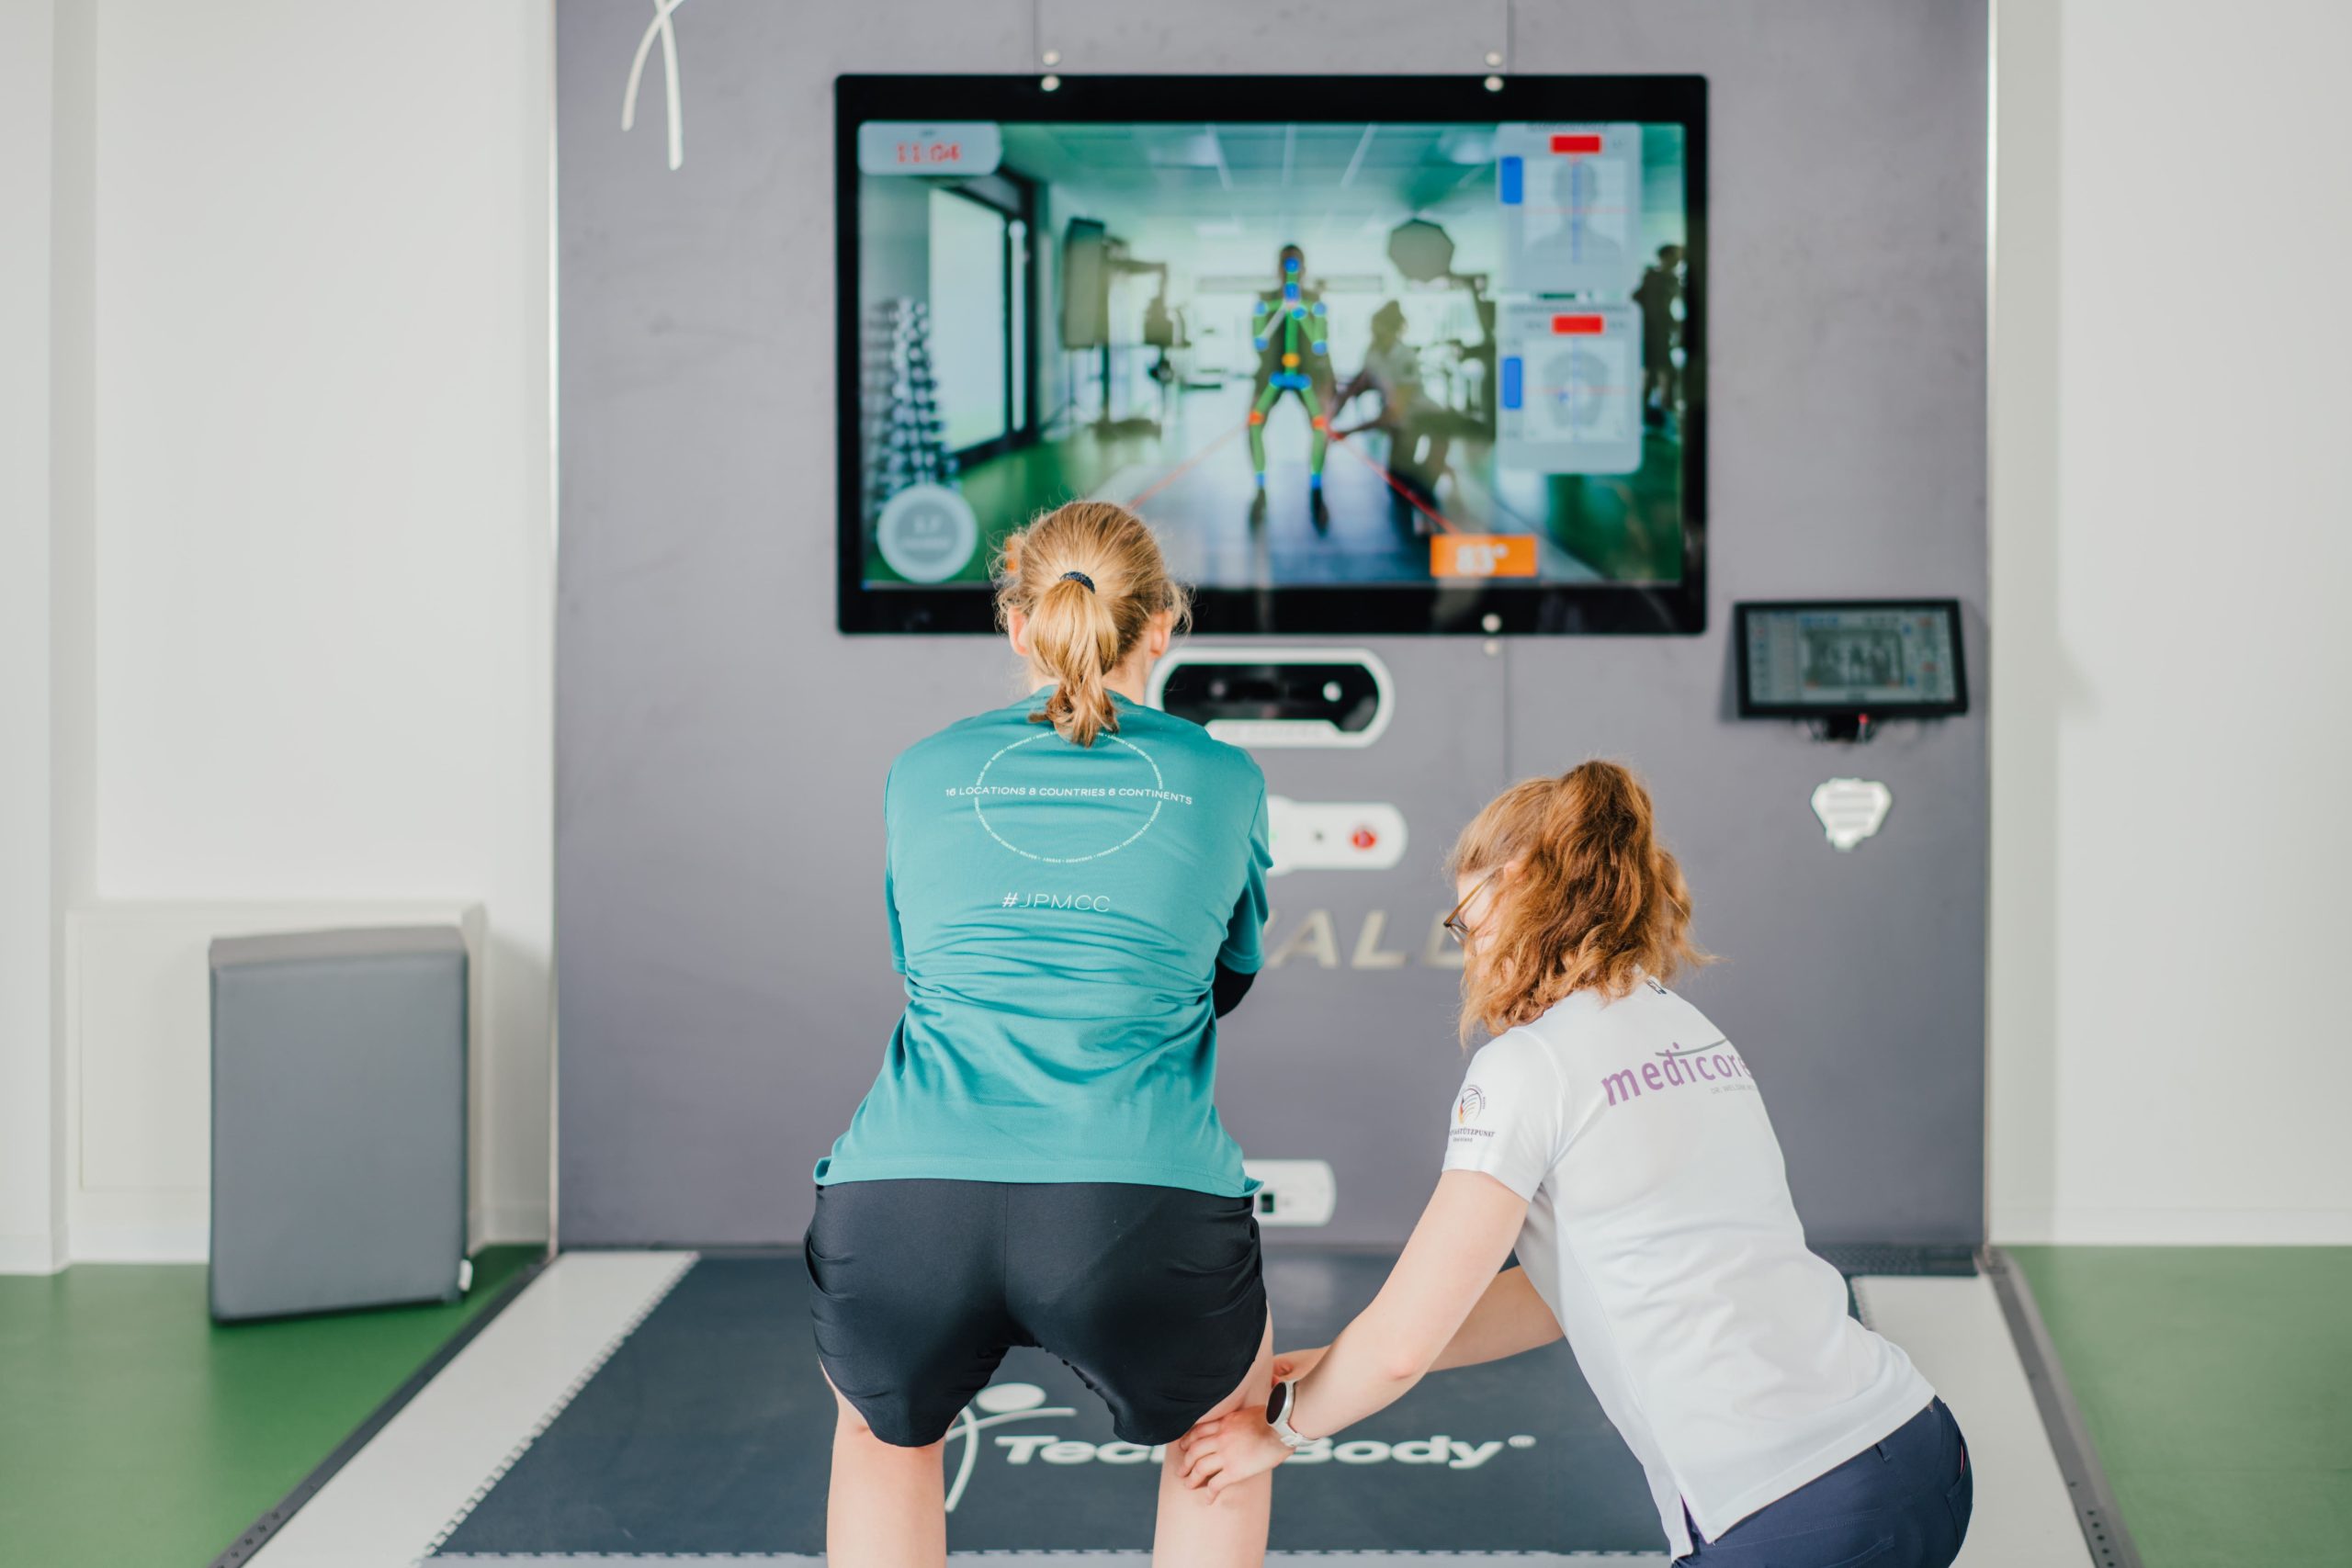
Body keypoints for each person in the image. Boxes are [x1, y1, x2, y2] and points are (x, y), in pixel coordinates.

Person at [1175, 762, 1973, 1568]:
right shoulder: (1685, 1027)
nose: (1468, 953)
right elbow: (1563, 1291)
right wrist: (1332, 1366)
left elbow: (1400, 1347)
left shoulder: (1529, 1065)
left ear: (1521, 884)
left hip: (1789, 1507)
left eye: (1466, 922)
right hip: (1917, 1446)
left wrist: (1280, 1429)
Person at [807, 501, 1277, 1568]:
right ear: (1162, 626)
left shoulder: (921, 768)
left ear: (1016, 624)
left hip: (903, 1203)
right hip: (1136, 1207)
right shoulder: (1224, 777)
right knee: (1221, 1435)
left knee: (880, 1441)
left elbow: (925, 967)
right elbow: (1227, 979)